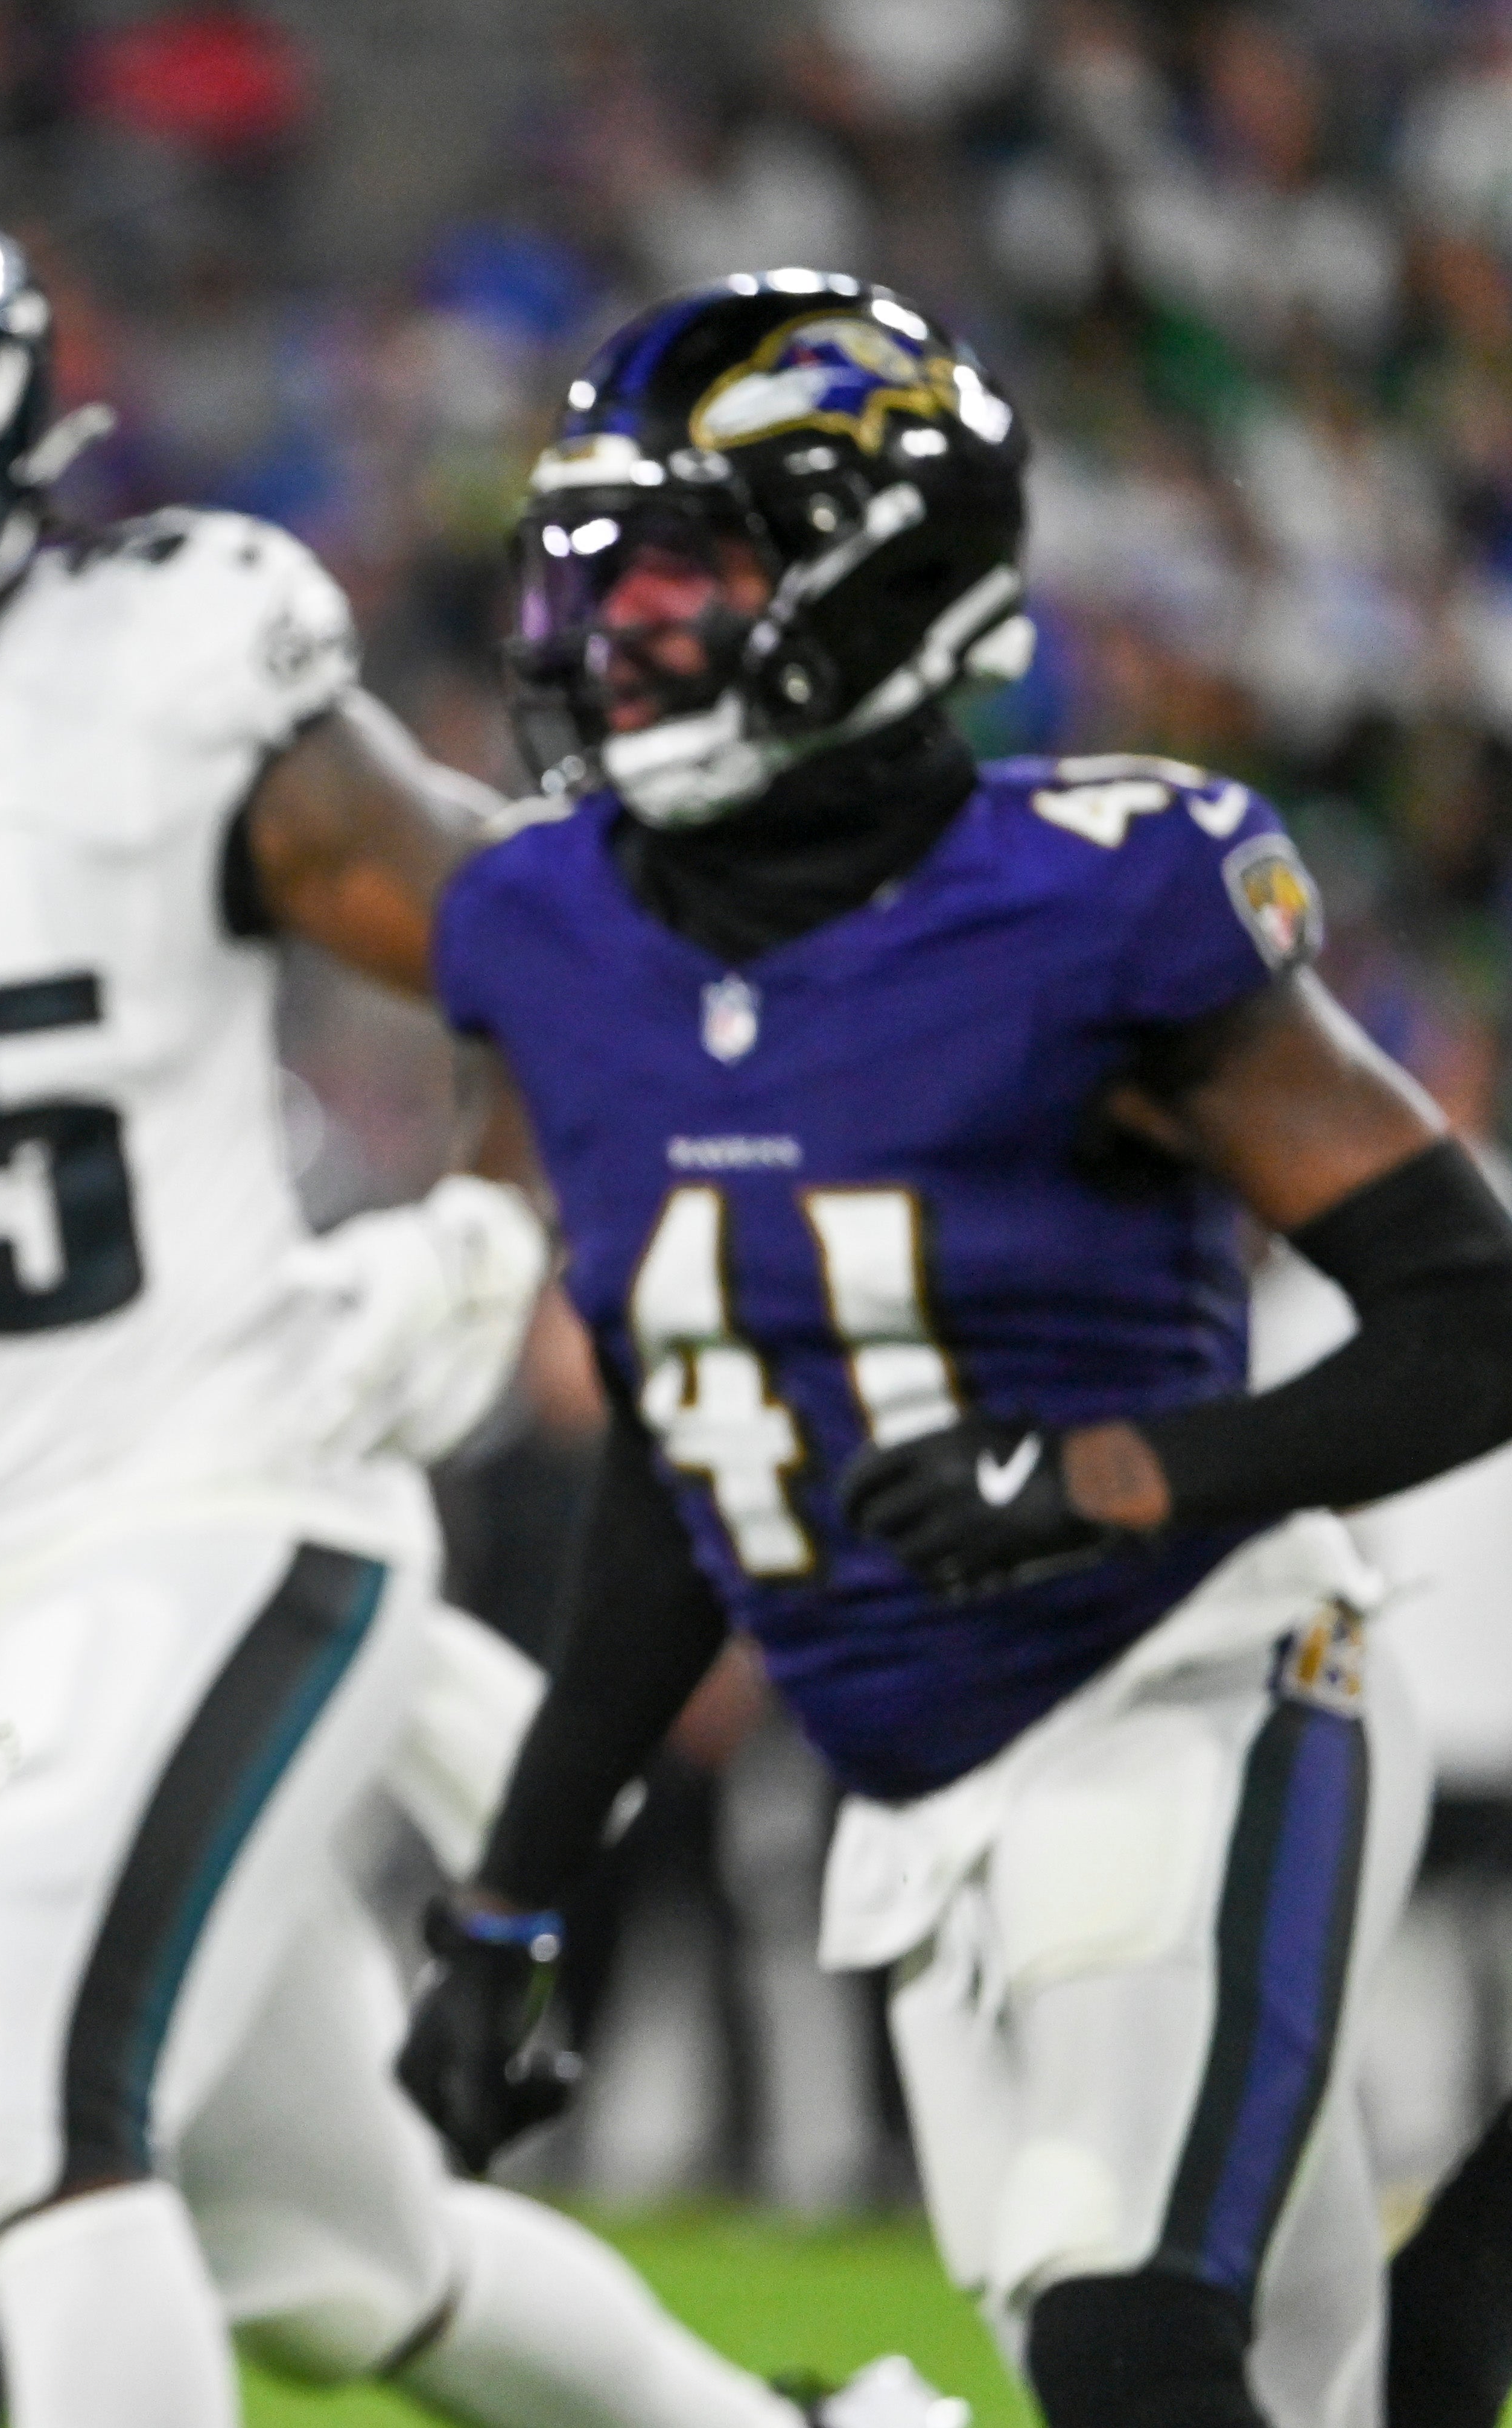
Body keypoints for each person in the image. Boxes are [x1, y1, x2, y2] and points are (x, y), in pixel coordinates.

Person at [0, 142, 945, 2428]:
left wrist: (499, 1225)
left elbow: (545, 946)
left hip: (198, 1505)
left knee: (12, 2111)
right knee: (338, 2256)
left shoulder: (151, 661)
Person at [396, 273, 1512, 2428]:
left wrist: (1118, 1473)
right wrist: (511, 1887)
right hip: (912, 1796)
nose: (616, 623)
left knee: (1116, 2332)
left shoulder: (1100, 899)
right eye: (596, 565)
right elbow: (682, 1450)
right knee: (1286, 2386)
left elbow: (1472, 1309)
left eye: (687, 563)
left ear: (877, 568)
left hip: (1185, 1685)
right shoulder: (546, 929)